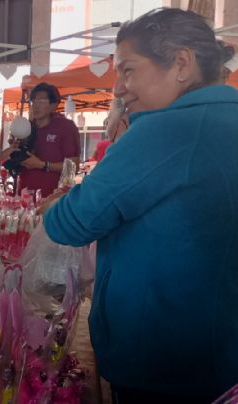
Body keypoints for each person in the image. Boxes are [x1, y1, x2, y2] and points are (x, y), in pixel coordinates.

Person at [41, 8, 238, 402]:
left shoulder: (168, 129)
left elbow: (70, 222)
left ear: (181, 64)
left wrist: (56, 204)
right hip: (217, 346)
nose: (118, 88)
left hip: (162, 354)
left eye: (128, 70)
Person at [8, 83, 80, 196]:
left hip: (53, 199)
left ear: (54, 105)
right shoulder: (27, 127)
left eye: (41, 101)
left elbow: (73, 167)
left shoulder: (66, 127)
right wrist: (14, 150)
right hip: (25, 196)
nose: (35, 105)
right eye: (33, 101)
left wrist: (42, 164)